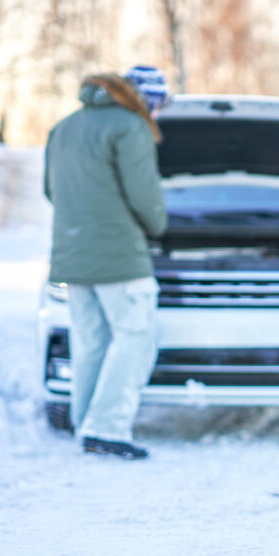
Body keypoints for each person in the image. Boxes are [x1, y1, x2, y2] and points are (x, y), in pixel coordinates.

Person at [43, 72, 168, 459]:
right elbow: (143, 193)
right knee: (136, 338)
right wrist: (158, 226)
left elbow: (50, 189)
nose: (159, 112)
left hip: (72, 256)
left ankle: (87, 424)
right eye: (159, 103)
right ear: (144, 99)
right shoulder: (131, 126)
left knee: (91, 343)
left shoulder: (63, 128)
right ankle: (108, 428)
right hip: (120, 259)